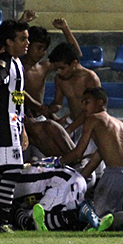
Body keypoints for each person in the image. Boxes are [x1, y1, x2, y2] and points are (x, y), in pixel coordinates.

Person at [58, 87, 123, 230]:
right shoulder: (118, 123)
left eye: (86, 102)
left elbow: (78, 153)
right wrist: (79, 178)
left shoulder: (92, 119)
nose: (83, 106)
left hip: (118, 175)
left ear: (100, 102)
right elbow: (98, 157)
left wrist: (56, 161)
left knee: (96, 220)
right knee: (111, 218)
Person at [0, 19, 29, 230]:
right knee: (10, 171)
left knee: (8, 173)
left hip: (14, 122)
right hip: (2, 122)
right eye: (22, 39)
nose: (26, 43)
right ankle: (1, 222)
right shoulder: (4, 60)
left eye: (27, 39)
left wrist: (23, 127)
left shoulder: (18, 63)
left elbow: (18, 97)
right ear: (9, 42)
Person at [20, 12, 80, 157]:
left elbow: (74, 54)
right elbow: (18, 92)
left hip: (41, 118)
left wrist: (65, 29)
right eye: (39, 48)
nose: (42, 53)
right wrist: (22, 22)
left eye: (44, 49)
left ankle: (72, 163)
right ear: (27, 45)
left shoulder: (44, 66)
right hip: (22, 120)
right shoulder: (17, 65)